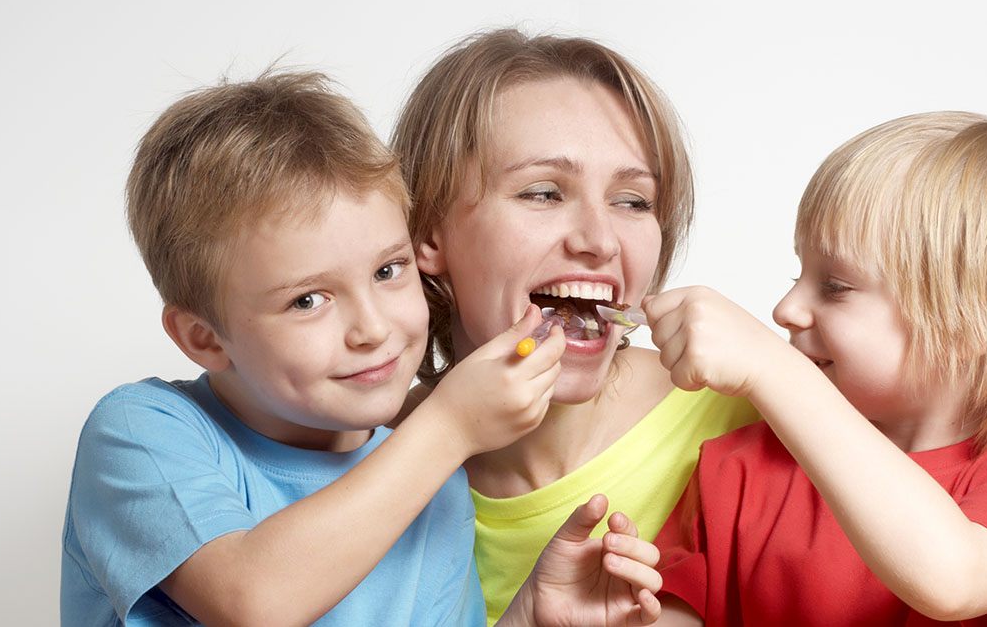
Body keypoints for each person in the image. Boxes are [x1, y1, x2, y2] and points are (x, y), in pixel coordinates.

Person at [61, 69, 664, 626]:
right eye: (308, 300)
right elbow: (251, 602)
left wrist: (528, 616)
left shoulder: (433, 486)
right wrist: (450, 426)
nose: (372, 329)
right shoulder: (143, 431)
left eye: (387, 271)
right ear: (204, 337)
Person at [646, 111, 987, 625]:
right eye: (798, 275)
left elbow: (953, 579)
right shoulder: (736, 466)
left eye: (835, 287)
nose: (785, 309)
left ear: (975, 325)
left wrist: (773, 368)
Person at [393, 29, 761, 624]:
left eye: (634, 201)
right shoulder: (367, 469)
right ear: (429, 233)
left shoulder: (751, 414)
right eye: (543, 193)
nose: (599, 240)